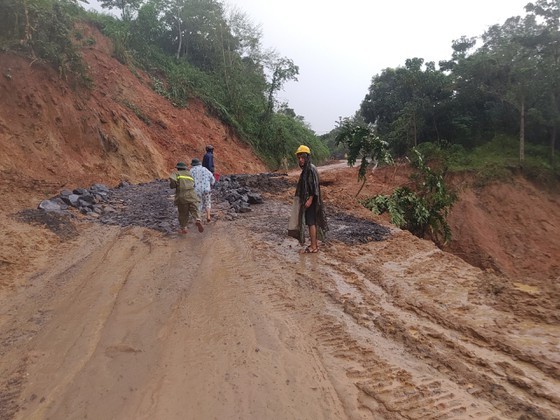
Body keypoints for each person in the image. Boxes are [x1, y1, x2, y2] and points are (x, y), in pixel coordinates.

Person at [288, 145, 328, 253]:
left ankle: (314, 246)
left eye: (302, 157)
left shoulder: (310, 169)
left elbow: (314, 187)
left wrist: (309, 200)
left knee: (311, 222)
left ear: (307, 157)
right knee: (311, 222)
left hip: (311, 201)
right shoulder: (308, 168)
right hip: (308, 200)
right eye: (299, 158)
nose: (300, 160)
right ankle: (313, 244)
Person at [169, 162, 204, 234]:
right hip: (192, 195)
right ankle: (197, 219)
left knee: (183, 213)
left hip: (182, 196)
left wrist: (173, 185)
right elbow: (194, 184)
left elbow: (172, 180)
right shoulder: (190, 174)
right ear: (185, 168)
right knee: (195, 209)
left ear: (178, 168)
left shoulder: (176, 173)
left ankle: (184, 228)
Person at [189, 157, 215, 223]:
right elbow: (212, 178)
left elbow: (189, 181)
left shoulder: (191, 171)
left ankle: (198, 218)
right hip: (206, 189)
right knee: (207, 202)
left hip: (196, 190)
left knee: (198, 203)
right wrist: (211, 184)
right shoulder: (205, 169)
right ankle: (208, 216)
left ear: (193, 164)